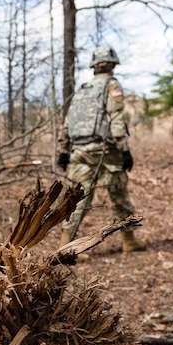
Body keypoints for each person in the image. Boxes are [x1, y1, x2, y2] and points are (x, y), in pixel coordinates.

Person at [56, 45, 145, 251]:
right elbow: (116, 117)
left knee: (77, 198)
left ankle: (66, 245)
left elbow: (68, 122)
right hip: (105, 152)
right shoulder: (112, 85)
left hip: (79, 150)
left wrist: (63, 151)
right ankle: (129, 240)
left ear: (94, 66)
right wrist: (124, 149)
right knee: (119, 194)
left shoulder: (83, 90)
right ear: (112, 64)